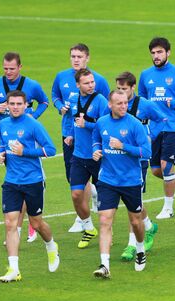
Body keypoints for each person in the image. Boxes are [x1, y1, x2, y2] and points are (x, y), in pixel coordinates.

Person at [0, 52, 49, 243]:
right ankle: (17, 227)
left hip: (28, 139)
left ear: (20, 67)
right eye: (5, 68)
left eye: (12, 68)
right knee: (16, 181)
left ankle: (24, 226)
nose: (8, 72)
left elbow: (44, 101)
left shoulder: (32, 85)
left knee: (29, 178)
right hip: (6, 141)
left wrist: (33, 117)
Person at [0, 90, 59, 282]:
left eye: (18, 104)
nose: (15, 107)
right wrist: (1, 154)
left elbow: (51, 149)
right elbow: (2, 145)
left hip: (33, 181)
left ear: (25, 105)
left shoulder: (33, 125)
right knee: (10, 223)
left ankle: (51, 245)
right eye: (11, 104)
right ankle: (14, 269)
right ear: (7, 105)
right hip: (11, 181)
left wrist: (26, 152)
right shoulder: (3, 124)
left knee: (36, 223)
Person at [91, 90, 152, 278]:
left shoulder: (134, 124)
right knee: (104, 220)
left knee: (135, 221)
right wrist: (96, 151)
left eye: (125, 103)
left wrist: (123, 146)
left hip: (131, 180)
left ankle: (140, 249)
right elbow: (95, 139)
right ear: (110, 105)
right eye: (119, 103)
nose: (124, 106)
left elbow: (147, 152)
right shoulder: (102, 123)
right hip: (108, 180)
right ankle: (104, 265)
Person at [51, 43, 110, 233]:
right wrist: (59, 106)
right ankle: (88, 204)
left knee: (99, 181)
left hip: (94, 140)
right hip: (70, 134)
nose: (76, 60)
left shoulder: (99, 81)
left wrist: (90, 125)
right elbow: (55, 95)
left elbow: (108, 111)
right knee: (72, 178)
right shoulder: (61, 77)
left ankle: (82, 218)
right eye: (73, 56)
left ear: (87, 58)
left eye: (79, 57)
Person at [139, 37, 175, 219]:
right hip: (153, 128)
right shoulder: (145, 75)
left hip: (173, 126)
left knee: (165, 166)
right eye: (153, 53)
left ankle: (168, 208)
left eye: (159, 52)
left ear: (168, 53)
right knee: (156, 170)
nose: (156, 56)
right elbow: (141, 99)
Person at [116, 71, 166, 261]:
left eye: (124, 89)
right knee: (133, 202)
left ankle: (131, 245)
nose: (121, 93)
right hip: (118, 159)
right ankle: (148, 225)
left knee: (132, 204)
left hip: (139, 160)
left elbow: (162, 120)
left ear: (133, 88)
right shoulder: (113, 106)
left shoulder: (144, 105)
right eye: (119, 89)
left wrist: (151, 137)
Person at [66, 68, 109, 249]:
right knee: (76, 194)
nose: (91, 85)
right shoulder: (72, 99)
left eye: (92, 82)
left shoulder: (100, 101)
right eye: (86, 83)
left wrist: (87, 124)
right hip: (79, 156)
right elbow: (71, 121)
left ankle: (108, 234)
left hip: (98, 156)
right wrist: (69, 135)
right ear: (78, 85)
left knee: (105, 201)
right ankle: (88, 227)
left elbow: (106, 127)